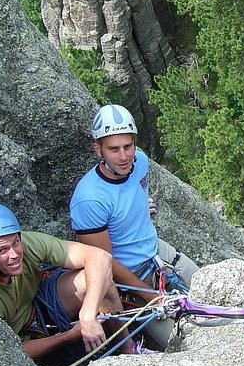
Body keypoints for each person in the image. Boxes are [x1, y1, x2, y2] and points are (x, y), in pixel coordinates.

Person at [69, 104, 199, 349]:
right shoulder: (89, 199)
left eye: (128, 146)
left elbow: (131, 194)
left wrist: (138, 208)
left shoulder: (140, 163)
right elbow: (103, 261)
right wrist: (149, 296)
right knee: (183, 344)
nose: (123, 156)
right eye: (113, 149)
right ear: (99, 149)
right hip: (131, 279)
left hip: (159, 252)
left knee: (214, 290)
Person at [0, 201, 142, 366]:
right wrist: (67, 337)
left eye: (16, 243)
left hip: (38, 305)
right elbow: (6, 350)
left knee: (100, 279)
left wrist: (87, 315)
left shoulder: (28, 243)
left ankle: (128, 350)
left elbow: (99, 257)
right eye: (2, 250)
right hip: (20, 339)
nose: (14, 254)